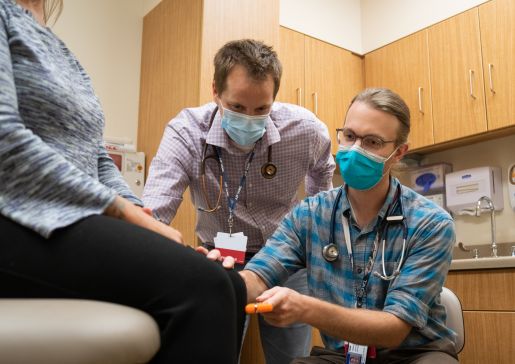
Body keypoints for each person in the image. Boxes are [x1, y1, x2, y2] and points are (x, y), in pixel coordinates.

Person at [0, 1, 246, 363]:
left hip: (69, 218)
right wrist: (123, 214)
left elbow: (96, 155)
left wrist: (134, 209)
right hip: (18, 214)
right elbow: (5, 139)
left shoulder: (61, 51)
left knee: (231, 284)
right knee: (205, 288)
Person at [207, 88, 459, 363]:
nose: (355, 150)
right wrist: (214, 278)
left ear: (399, 152)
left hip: (413, 354)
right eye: (349, 136)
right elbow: (259, 274)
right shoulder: (310, 214)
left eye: (372, 142)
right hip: (345, 355)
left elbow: (394, 329)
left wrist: (306, 309)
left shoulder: (431, 224)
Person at [143, 39, 335, 362]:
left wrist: (317, 239)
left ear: (275, 96)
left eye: (262, 109)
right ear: (215, 91)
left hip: (287, 258)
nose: (249, 119)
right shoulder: (186, 132)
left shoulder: (305, 130)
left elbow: (323, 173)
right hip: (222, 260)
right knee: (215, 353)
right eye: (237, 108)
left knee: (293, 359)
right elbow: (154, 212)